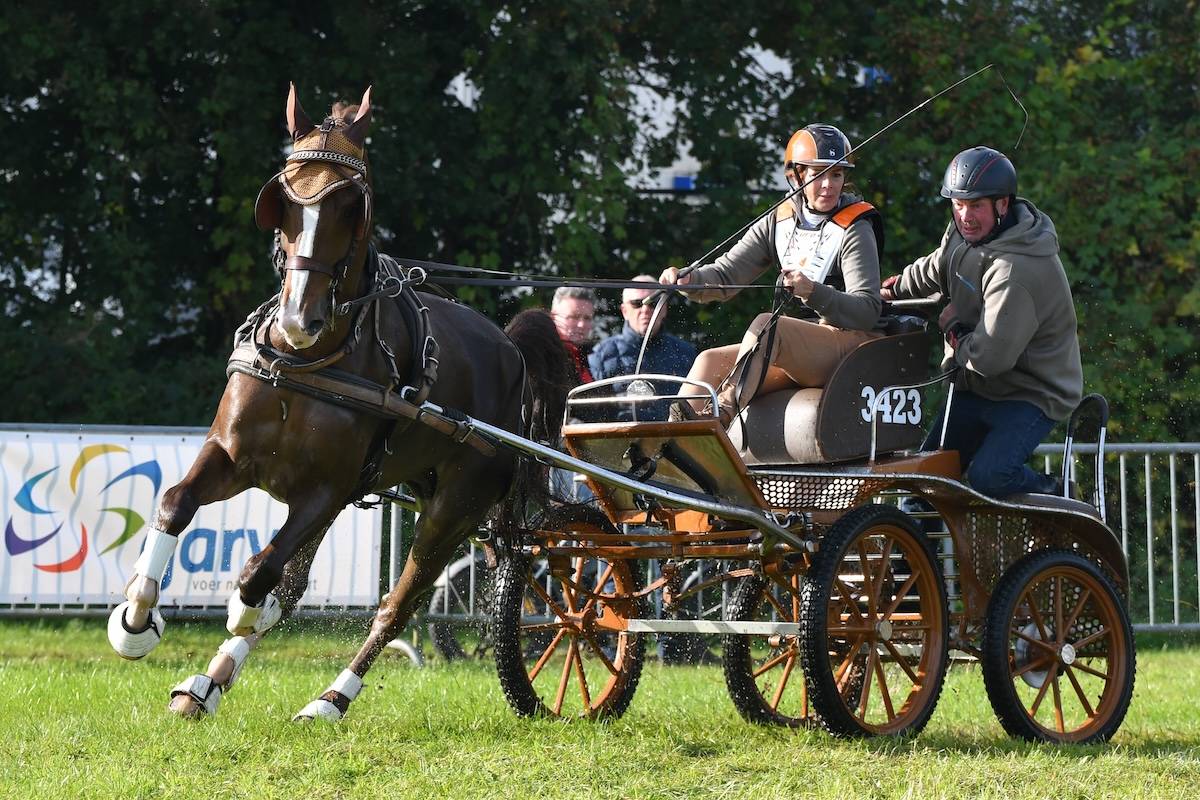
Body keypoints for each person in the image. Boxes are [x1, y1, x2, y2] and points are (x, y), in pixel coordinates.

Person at [880, 146, 1082, 498]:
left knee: (990, 477)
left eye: (975, 206)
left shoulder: (1016, 270)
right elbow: (938, 265)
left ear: (1002, 204)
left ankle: (1060, 493)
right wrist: (893, 289)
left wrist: (954, 329)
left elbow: (990, 359)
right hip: (978, 387)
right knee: (928, 479)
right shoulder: (963, 235)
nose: (965, 216)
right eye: (958, 204)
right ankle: (920, 536)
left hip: (1032, 392)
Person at [660, 123, 884, 425]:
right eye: (819, 174)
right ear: (797, 175)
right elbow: (727, 275)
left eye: (837, 174)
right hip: (794, 347)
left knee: (768, 325)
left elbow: (867, 311)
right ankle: (670, 441)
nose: (828, 185)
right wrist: (690, 280)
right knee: (709, 360)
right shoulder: (779, 220)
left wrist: (813, 292)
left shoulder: (856, 227)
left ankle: (718, 416)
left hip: (846, 344)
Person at [588, 276, 697, 420]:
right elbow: (593, 414)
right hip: (622, 433)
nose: (645, 310)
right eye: (637, 303)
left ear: (664, 308)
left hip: (676, 433)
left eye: (653, 303)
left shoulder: (685, 353)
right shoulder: (601, 355)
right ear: (624, 311)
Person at [550, 286, 597, 384]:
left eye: (587, 318)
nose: (581, 324)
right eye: (574, 317)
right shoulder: (545, 356)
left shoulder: (587, 357)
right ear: (553, 317)